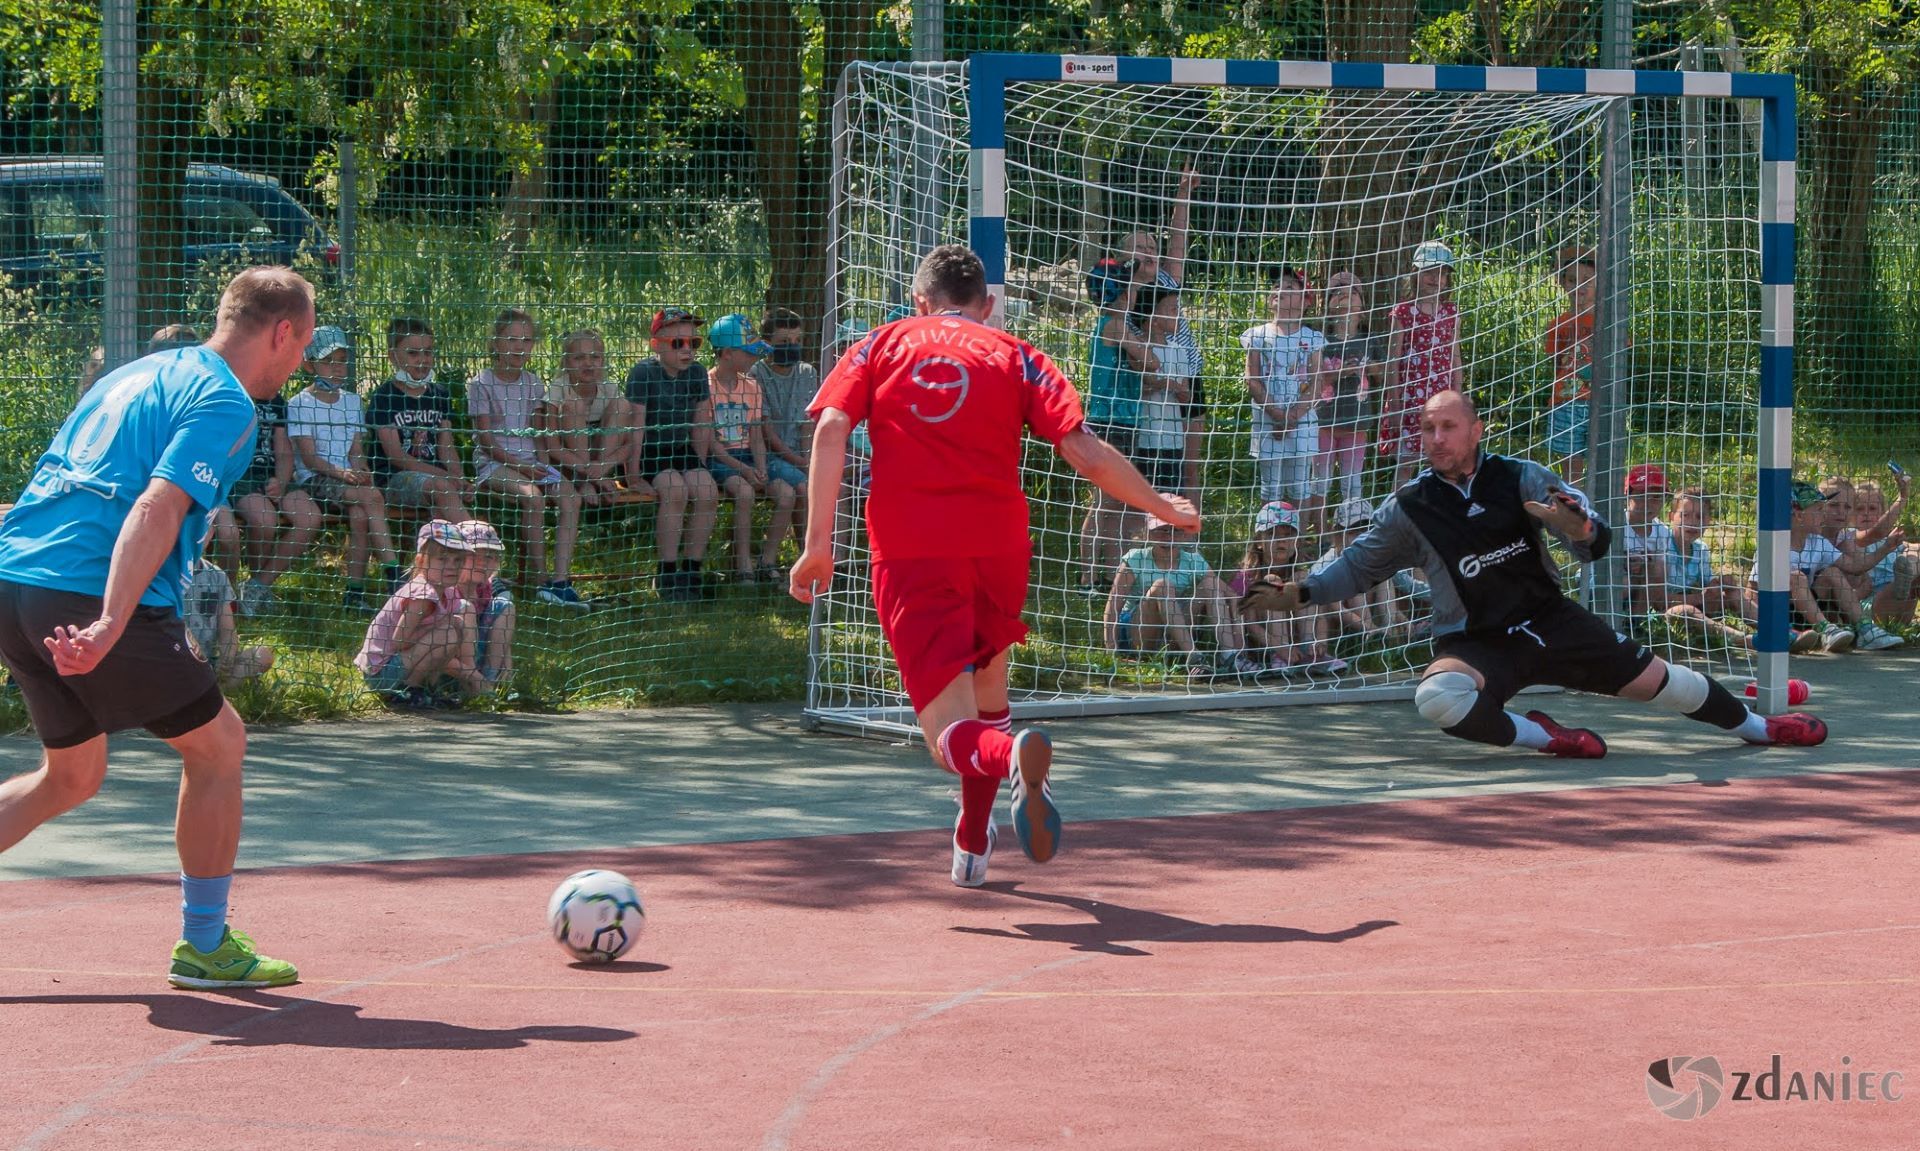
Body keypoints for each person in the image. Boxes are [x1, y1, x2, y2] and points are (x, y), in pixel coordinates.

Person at [789, 244, 1199, 889]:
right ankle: (974, 842)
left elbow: (832, 429)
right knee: (988, 694)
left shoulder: (880, 343)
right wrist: (1160, 505)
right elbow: (1084, 451)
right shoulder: (1017, 354)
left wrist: (819, 543)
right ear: (988, 305)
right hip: (1000, 546)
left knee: (948, 734)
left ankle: (1012, 759)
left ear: (919, 301)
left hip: (915, 546)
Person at [0, 264, 312, 989]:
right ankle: (204, 945)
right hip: (85, 586)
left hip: (18, 579)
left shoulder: (134, 376)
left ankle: (204, 941)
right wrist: (111, 621)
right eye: (300, 349)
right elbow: (156, 507)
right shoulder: (224, 400)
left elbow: (53, 481)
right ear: (282, 332)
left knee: (71, 774)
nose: (298, 364)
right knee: (220, 744)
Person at [1240, 390, 1827, 758]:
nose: (1435, 438)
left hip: (1552, 620)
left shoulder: (1521, 476)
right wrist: (1299, 592)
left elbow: (1593, 538)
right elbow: (1358, 566)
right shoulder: (1409, 506)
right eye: (1426, 429)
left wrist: (1579, 530)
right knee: (1437, 699)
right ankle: (1546, 737)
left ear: (1476, 430)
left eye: (1447, 427)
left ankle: (1758, 727)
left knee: (1666, 684)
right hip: (1477, 641)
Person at [468, 308, 587, 607]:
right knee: (532, 497)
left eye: (526, 340)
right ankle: (540, 578)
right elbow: (486, 441)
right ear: (495, 343)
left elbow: (538, 433)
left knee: (571, 499)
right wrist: (522, 467)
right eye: (511, 340)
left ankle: (561, 581)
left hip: (532, 464)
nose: (519, 347)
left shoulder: (534, 383)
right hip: (496, 465)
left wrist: (544, 465)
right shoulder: (480, 383)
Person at [287, 325, 404, 610]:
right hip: (315, 479)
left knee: (361, 513)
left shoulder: (352, 401)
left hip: (347, 482)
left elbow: (356, 452)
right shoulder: (299, 403)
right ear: (309, 363)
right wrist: (345, 475)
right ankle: (395, 574)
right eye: (329, 362)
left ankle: (354, 593)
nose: (338, 368)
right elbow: (310, 458)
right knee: (371, 498)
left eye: (342, 361)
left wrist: (361, 473)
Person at [626, 308, 721, 601]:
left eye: (693, 343)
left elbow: (701, 424)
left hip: (681, 449)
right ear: (656, 345)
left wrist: (701, 465)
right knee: (675, 491)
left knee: (707, 491)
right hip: (649, 452)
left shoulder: (696, 373)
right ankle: (666, 573)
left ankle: (691, 571)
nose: (687, 350)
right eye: (677, 343)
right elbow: (635, 427)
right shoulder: (644, 372)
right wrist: (632, 475)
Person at [1123, 165, 1205, 493]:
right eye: (1140, 247)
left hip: (1189, 376)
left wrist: (1183, 193)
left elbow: (1179, 239)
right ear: (1123, 257)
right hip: (1152, 386)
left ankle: (1191, 540)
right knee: (1152, 470)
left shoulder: (1167, 280)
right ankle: (1153, 536)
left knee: (1189, 468)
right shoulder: (1122, 298)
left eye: (1152, 245)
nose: (1149, 250)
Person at [1661, 488, 1821, 654]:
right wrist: (1698, 597)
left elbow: (1706, 586)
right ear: (1671, 516)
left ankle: (1779, 631)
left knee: (1733, 592)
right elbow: (1657, 600)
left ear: (1708, 520)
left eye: (1700, 517)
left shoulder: (1701, 549)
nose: (1692, 522)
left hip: (1695, 602)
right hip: (1666, 612)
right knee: (1685, 611)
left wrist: (1718, 584)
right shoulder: (1663, 546)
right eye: (1685, 515)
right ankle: (1748, 641)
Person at [707, 313, 804, 585]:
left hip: (752, 456)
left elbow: (756, 435)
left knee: (786, 494)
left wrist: (760, 467)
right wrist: (746, 470)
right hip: (723, 459)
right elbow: (711, 444)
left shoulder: (752, 386)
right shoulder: (705, 387)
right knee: (745, 492)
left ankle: (768, 561)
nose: (754, 358)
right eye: (749, 352)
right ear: (727, 353)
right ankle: (743, 564)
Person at [1075, 258, 1153, 594]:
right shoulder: (1116, 326)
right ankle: (1087, 578)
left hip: (1122, 420)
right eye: (1129, 286)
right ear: (1121, 293)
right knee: (1104, 502)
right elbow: (1151, 361)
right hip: (1111, 422)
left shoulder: (1114, 322)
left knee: (1117, 503)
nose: (1135, 292)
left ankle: (1106, 572)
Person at [355, 519, 485, 709]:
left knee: (455, 626)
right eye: (442, 559)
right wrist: (436, 629)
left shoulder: (448, 591)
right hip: (381, 672)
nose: (452, 566)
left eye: (457, 560)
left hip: (401, 664)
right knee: (446, 632)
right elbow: (399, 641)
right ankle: (407, 692)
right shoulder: (423, 594)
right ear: (421, 561)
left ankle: (428, 690)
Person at [229, 360, 323, 617]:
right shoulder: (231, 397)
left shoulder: (277, 403)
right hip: (241, 477)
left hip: (274, 476)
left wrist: (280, 481)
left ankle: (259, 585)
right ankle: (254, 590)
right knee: (265, 520)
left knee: (310, 518)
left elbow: (283, 452)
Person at [1241, 266, 1327, 532]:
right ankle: (1265, 542)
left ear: (1305, 301)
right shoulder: (1257, 335)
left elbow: (1316, 383)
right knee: (1271, 485)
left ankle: (1295, 544)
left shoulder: (1312, 338)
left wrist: (1291, 418)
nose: (1280, 290)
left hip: (1301, 423)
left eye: (1289, 287)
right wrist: (1277, 415)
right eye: (1276, 286)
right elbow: (1251, 379)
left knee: (1299, 484)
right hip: (1268, 421)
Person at [1103, 512, 1236, 677]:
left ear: (1184, 534)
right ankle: (1193, 656)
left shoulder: (1193, 560)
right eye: (1162, 530)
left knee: (1211, 585)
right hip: (1141, 633)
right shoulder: (1135, 558)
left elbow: (1230, 595)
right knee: (1162, 586)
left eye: (1175, 530)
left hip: (1175, 632)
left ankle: (1230, 657)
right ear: (1149, 532)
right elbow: (1113, 604)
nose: (1168, 536)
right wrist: (1111, 649)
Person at [366, 316, 471, 524]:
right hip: (394, 478)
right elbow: (396, 455)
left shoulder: (439, 394)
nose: (422, 359)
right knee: (441, 489)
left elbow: (446, 445)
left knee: (445, 492)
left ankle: (443, 553)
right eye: (413, 353)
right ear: (393, 356)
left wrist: (459, 477)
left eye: (428, 352)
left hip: (437, 479)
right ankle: (476, 543)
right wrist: (444, 477)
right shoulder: (384, 396)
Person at [1380, 241, 1463, 492]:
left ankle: (1438, 517)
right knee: (1406, 463)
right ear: (1415, 272)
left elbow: (1456, 358)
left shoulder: (1451, 311)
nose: (1435, 278)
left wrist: (1459, 398)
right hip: (1410, 398)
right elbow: (1392, 360)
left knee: (1442, 461)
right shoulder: (1404, 312)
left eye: (1442, 272)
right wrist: (1394, 403)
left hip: (1441, 396)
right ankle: (1401, 514)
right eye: (1429, 271)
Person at [541, 328, 638, 507]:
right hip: (570, 467)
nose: (588, 363)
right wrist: (588, 472)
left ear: (602, 361)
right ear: (566, 362)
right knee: (573, 404)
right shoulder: (558, 389)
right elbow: (552, 447)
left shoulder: (609, 389)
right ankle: (584, 482)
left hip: (600, 463)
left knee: (622, 405)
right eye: (579, 358)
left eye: (594, 357)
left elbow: (629, 444)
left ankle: (595, 480)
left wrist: (603, 466)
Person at [1315, 270, 1384, 508]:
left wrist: (1366, 366)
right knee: (1320, 481)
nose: (1343, 294)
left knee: (1352, 482)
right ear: (1327, 305)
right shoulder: (1320, 340)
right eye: (1336, 292)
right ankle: (1321, 535)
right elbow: (1313, 378)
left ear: (1363, 305)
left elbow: (1382, 373)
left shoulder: (1369, 339)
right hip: (1323, 422)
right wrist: (1340, 372)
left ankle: (1350, 530)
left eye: (1352, 291)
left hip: (1357, 422)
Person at [1311, 495, 1404, 653]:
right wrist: (1366, 625)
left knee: (1384, 576)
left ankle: (1391, 631)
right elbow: (1331, 607)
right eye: (1354, 530)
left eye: (1366, 529)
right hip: (1336, 624)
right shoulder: (1325, 563)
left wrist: (1399, 615)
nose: (1361, 535)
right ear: (1339, 533)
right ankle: (1372, 634)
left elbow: (1406, 582)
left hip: (1368, 611)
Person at [1133, 287, 1196, 495]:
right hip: (1144, 439)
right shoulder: (1137, 348)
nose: (1177, 315)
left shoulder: (1179, 350)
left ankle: (1170, 529)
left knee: (1172, 498)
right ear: (1152, 319)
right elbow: (1133, 391)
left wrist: (1178, 390)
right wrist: (1159, 385)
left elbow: (1187, 397)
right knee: (1144, 499)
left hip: (1173, 439)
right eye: (1171, 310)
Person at [183, 550, 274, 686]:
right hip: (175, 659)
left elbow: (228, 631)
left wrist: (227, 658)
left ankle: (215, 689)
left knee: (262, 655)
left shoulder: (216, 575)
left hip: (207, 662)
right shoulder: (164, 571)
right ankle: (204, 691)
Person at [1544, 250, 1595, 488]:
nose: (1580, 286)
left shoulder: (1611, 321)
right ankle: (1574, 512)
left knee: (1601, 461)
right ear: (1563, 283)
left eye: (1587, 279)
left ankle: (1598, 509)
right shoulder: (1558, 325)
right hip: (1566, 402)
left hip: (1600, 403)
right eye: (1573, 279)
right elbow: (1555, 363)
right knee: (1572, 467)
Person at [1844, 476, 1918, 627]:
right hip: (1872, 607)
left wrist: (1912, 553)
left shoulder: (1891, 540)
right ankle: (1904, 579)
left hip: (1903, 608)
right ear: (1850, 513)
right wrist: (1902, 498)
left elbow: (1910, 547)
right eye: (1859, 509)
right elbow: (1877, 532)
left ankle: (1909, 571)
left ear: (1883, 512)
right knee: (1903, 577)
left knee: (1914, 556)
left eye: (1872, 509)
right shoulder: (1849, 536)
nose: (1866, 513)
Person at [457, 519, 516, 688]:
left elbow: (502, 632)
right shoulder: (448, 587)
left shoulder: (486, 586)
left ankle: (492, 679)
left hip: (479, 649)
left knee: (505, 606)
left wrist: (508, 665)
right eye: (474, 555)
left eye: (490, 557)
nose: (483, 563)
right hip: (452, 657)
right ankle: (469, 684)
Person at [1619, 464, 1673, 615]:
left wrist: (1644, 565)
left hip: (1641, 584)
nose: (1648, 503)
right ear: (1627, 495)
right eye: (1642, 495)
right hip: (1607, 581)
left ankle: (1636, 619)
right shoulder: (1616, 525)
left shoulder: (1662, 532)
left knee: (1659, 569)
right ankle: (1607, 616)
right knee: (1625, 583)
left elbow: (1661, 573)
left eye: (1656, 497)